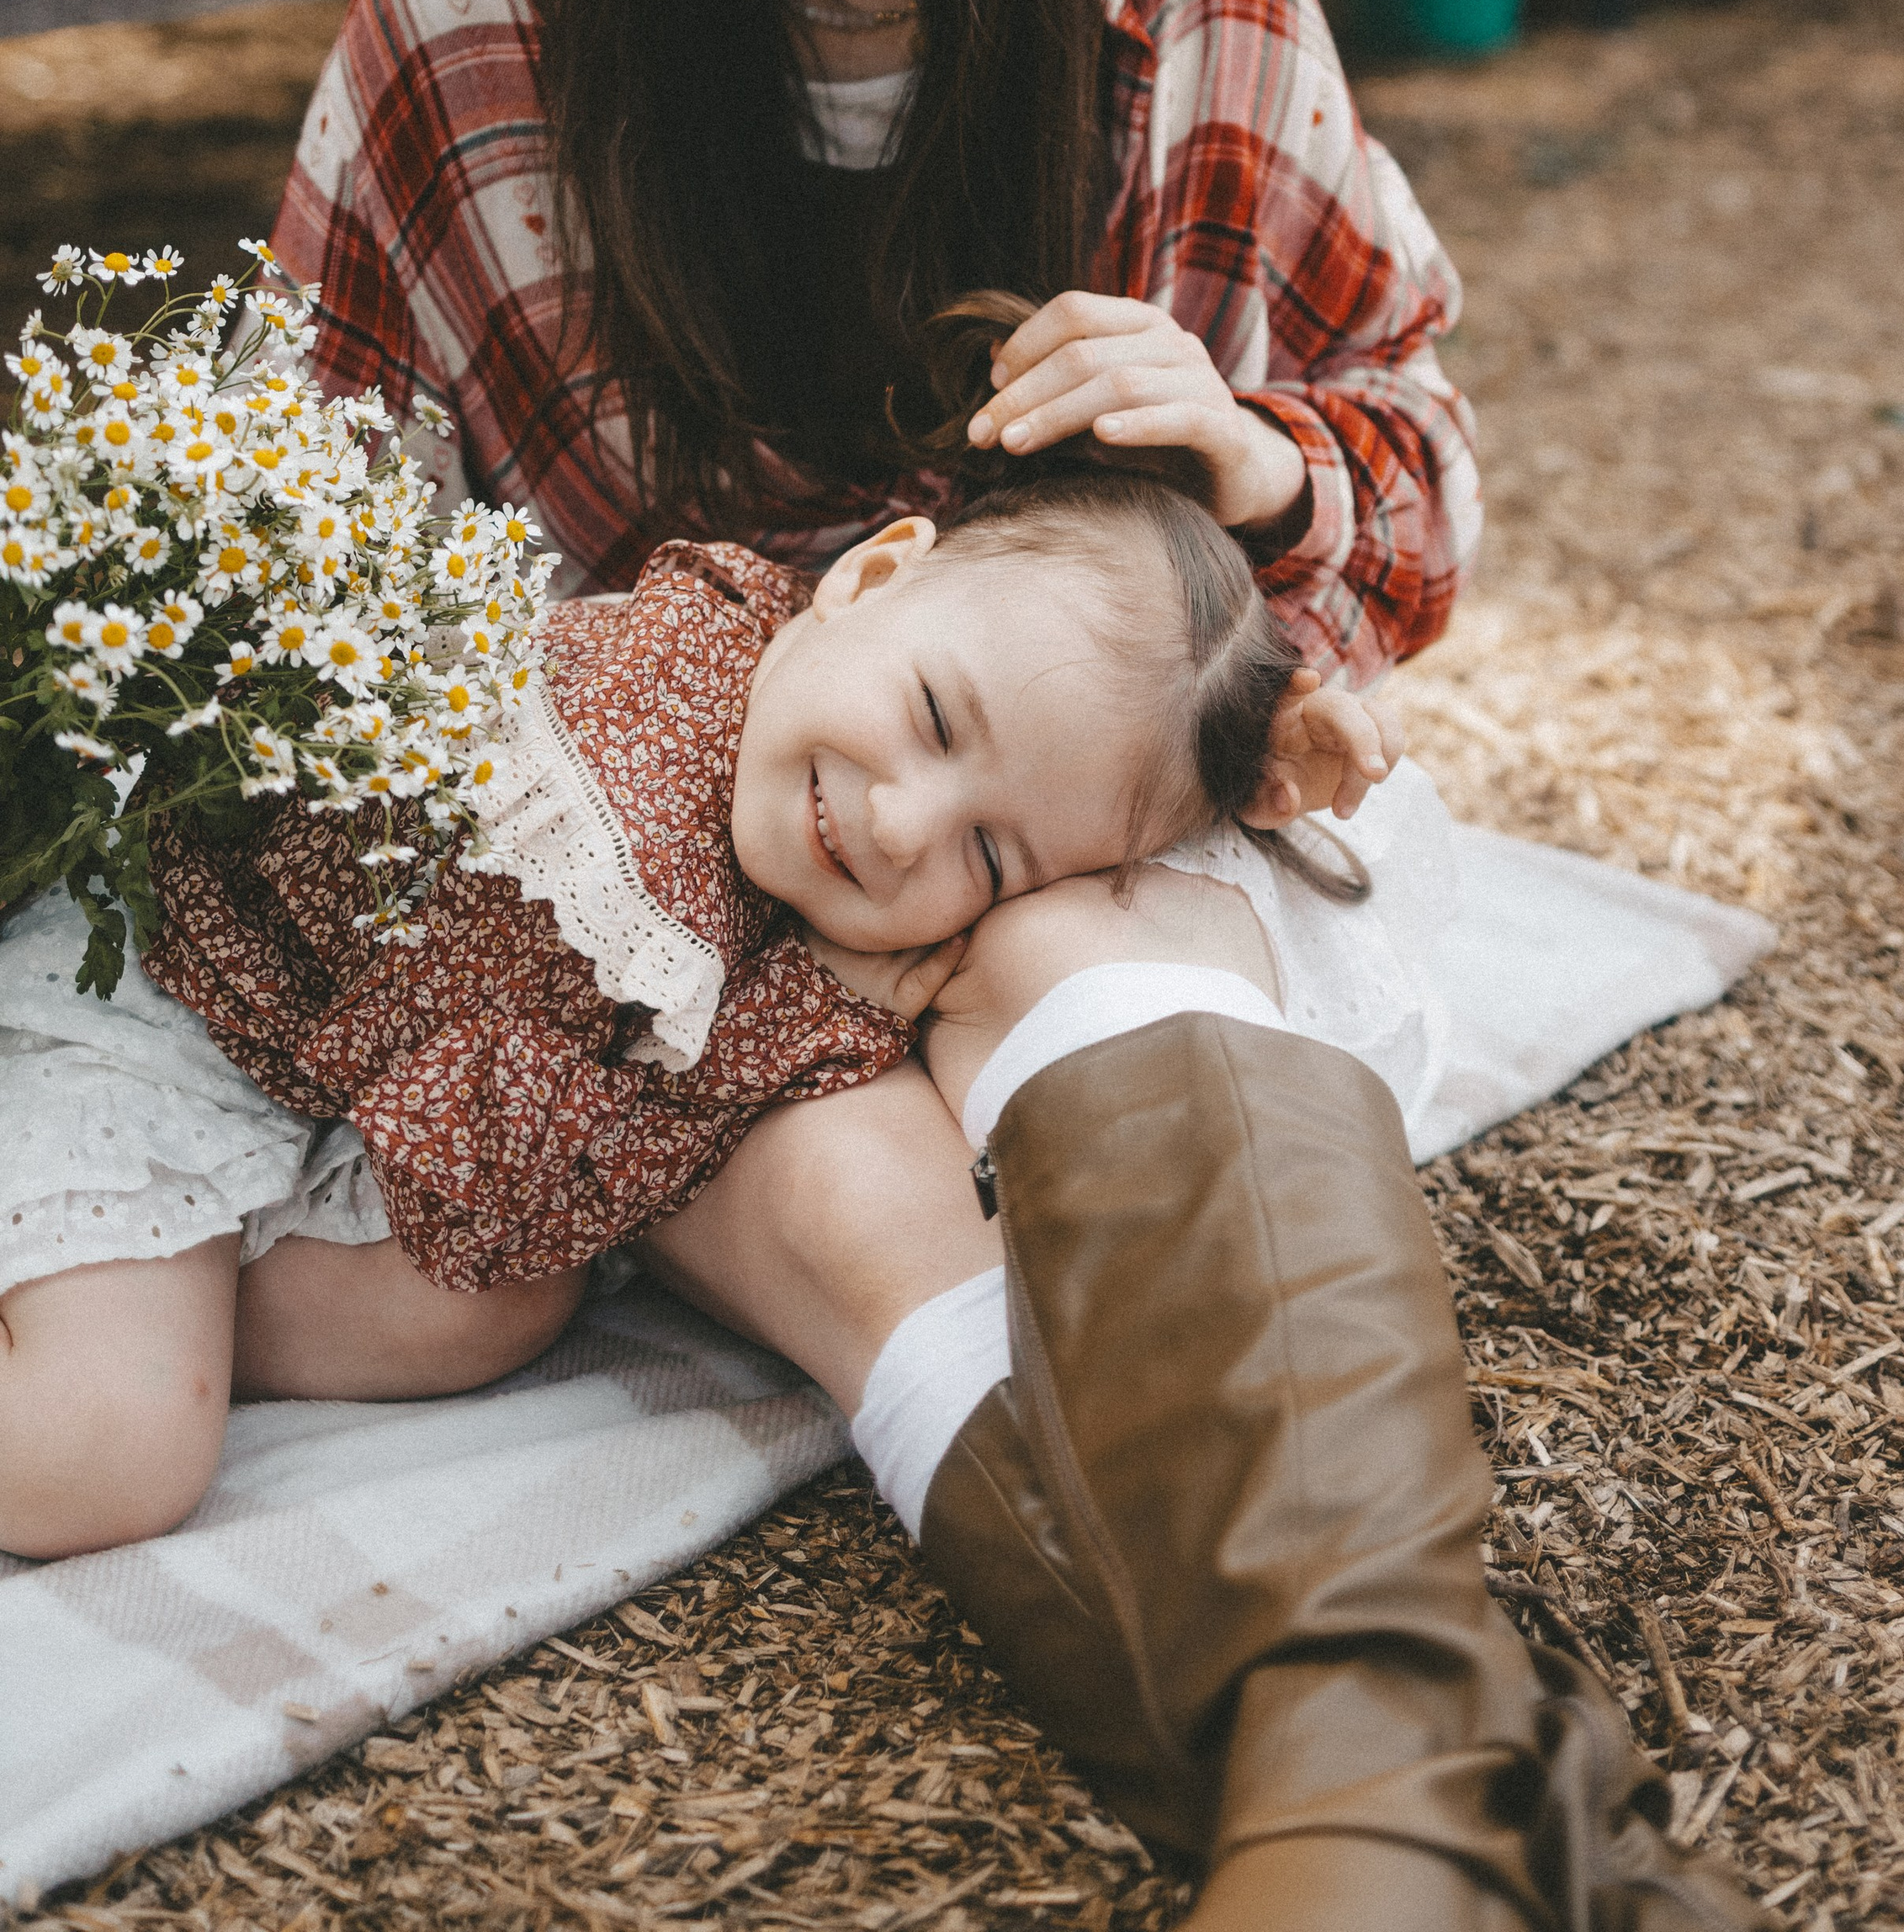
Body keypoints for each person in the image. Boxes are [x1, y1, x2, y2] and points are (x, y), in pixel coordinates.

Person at [266, 0, 1758, 1925]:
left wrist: (1254, 454)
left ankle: (1368, 1828)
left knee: (1085, 982)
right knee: (851, 1207)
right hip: (667, 880)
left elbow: (1414, 477)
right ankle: (1413, 1823)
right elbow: (313, 523)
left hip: (1051, 795)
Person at [0, 451, 1376, 1563]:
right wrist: (755, 1030)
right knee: (108, 1452)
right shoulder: (664, 690)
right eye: (938, 721)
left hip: (327, 1084)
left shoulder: (795, 958)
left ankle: (86, 1277)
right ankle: (102, 1327)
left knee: (493, 1309)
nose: (903, 823)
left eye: (991, 856)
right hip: (159, 977)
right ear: (867, 576)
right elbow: (513, 1127)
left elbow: (513, 1181)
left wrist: (1244, 752)